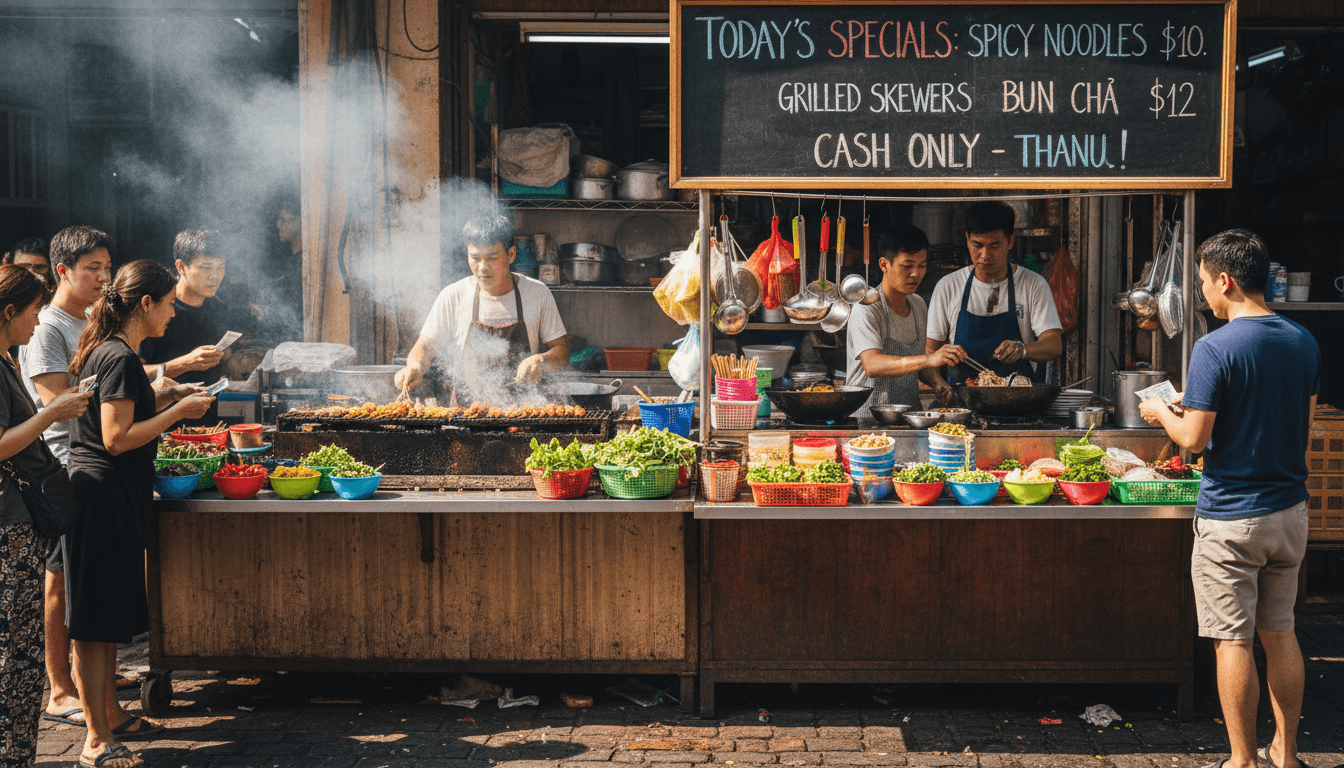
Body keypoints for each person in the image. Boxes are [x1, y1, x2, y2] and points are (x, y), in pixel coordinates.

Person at [1139, 230, 1320, 768]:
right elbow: (1301, 428)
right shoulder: (1303, 340)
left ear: (1226, 280)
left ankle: (1241, 760)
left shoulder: (1214, 347)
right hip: (1289, 513)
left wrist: (1162, 413)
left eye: (1202, 284)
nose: (1204, 296)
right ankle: (1285, 757)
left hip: (1232, 519)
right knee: (1281, 633)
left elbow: (1193, 441)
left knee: (1233, 641)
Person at [66, 261, 215, 768]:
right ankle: (95, 740)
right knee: (92, 620)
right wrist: (176, 413)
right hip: (101, 495)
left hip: (113, 493)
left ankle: (111, 716)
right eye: (170, 302)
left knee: (106, 614)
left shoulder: (115, 352)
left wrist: (167, 395)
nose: (175, 312)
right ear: (145, 304)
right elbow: (114, 438)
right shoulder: (119, 357)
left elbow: (124, 410)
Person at [15, 225, 113, 732]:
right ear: (63, 271)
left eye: (106, 267)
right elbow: (54, 398)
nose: (102, 277)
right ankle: (58, 688)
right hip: (62, 464)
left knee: (83, 576)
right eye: (92, 269)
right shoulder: (47, 326)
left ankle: (89, 682)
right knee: (59, 579)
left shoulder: (95, 317)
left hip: (93, 454)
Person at [0, 265, 92, 768]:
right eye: (33, 312)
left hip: (18, 519)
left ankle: (18, 749)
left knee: (19, 648)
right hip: (7, 522)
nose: (38, 324)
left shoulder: (7, 357)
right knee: (15, 647)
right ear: (10, 312)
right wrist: (51, 414)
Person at [395, 213, 568, 400]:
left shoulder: (537, 293)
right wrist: (415, 367)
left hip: (523, 412)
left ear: (511, 255)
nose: (482, 268)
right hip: (467, 415)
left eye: (492, 258)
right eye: (475, 258)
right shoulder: (453, 295)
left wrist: (541, 361)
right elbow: (425, 346)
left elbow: (562, 352)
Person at [925, 201, 1062, 387]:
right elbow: (930, 352)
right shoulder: (948, 286)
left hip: (1018, 400)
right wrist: (939, 385)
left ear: (1011, 241)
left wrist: (1022, 350)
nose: (985, 255)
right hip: (963, 402)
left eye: (994, 246)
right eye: (977, 245)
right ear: (967, 239)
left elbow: (1053, 345)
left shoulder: (1033, 284)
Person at [845, 224, 966, 417]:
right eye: (907, 265)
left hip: (910, 418)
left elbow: (917, 364)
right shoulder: (867, 307)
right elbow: (873, 365)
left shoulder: (918, 304)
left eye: (922, 266)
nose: (916, 274)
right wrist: (930, 358)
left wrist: (938, 383)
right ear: (884, 264)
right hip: (867, 423)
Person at [138, 229, 231, 427]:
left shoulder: (219, 307)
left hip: (208, 425)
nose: (215, 276)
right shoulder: (155, 307)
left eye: (220, 267)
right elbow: (132, 375)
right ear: (181, 266)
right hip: (158, 429)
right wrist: (187, 362)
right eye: (206, 267)